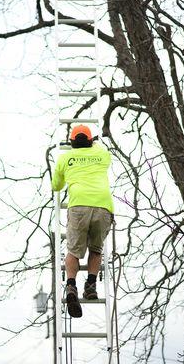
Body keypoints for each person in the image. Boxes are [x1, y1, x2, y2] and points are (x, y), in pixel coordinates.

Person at [51, 124, 114, 318]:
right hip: (103, 205)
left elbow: (56, 186)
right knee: (96, 249)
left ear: (71, 143)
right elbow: (101, 150)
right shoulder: (102, 156)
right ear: (90, 141)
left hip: (79, 205)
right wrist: (93, 144)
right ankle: (91, 285)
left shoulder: (65, 158)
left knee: (73, 251)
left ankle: (71, 286)